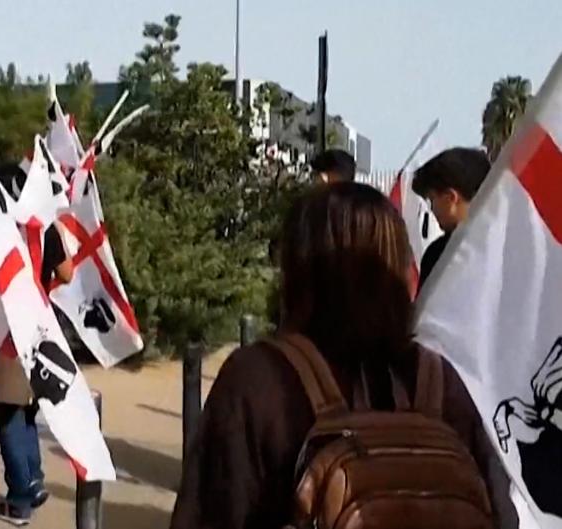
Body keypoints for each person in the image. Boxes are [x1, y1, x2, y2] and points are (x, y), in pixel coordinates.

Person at [170, 182, 517, 529]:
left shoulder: (258, 380)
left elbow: (209, 513)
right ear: (397, 268)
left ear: (298, 266)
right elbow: (500, 513)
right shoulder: (440, 384)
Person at [0, 164, 74, 526]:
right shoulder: (45, 226)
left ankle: (22, 494)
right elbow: (67, 273)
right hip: (41, 325)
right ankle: (34, 476)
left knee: (7, 412)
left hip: (9, 328)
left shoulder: (0, 226)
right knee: (27, 408)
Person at [411, 147, 490, 289]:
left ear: (451, 198)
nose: (432, 209)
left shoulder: (438, 256)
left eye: (432, 199)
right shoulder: (509, 248)